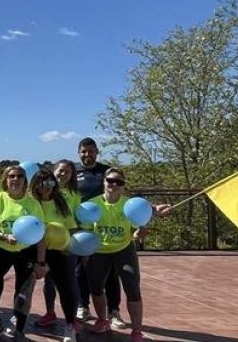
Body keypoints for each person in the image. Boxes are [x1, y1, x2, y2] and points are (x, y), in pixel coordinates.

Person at [0, 165, 47, 342]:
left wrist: (41, 263)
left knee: (23, 293)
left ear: (25, 181)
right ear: (5, 179)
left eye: (19, 176)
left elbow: (41, 235)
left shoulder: (33, 204)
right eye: (11, 176)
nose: (15, 179)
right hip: (0, 250)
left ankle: (18, 329)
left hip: (26, 252)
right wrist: (3, 236)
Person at [84, 168, 149, 342]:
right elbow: (87, 232)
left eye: (119, 182)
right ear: (103, 182)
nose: (114, 184)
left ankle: (136, 331)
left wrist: (138, 234)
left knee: (132, 288)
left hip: (123, 250)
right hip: (99, 252)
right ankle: (102, 321)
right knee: (96, 288)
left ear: (123, 186)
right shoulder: (92, 204)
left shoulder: (130, 205)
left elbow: (137, 228)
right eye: (110, 180)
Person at [74, 137, 121, 325]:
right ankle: (82, 306)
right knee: (80, 271)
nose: (88, 154)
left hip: (104, 228)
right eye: (84, 151)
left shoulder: (106, 172)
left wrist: (152, 208)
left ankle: (114, 311)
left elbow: (123, 193)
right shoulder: (73, 172)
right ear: (79, 153)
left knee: (110, 272)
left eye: (91, 151)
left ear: (97, 152)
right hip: (80, 229)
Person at [29, 169, 79, 342]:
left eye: (50, 182)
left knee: (67, 288)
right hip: (33, 251)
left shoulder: (61, 201)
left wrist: (68, 245)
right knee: (25, 286)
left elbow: (71, 227)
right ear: (35, 184)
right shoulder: (30, 202)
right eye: (42, 183)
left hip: (60, 252)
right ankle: (18, 321)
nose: (46, 187)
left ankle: (70, 325)